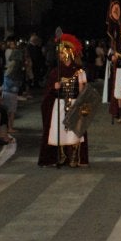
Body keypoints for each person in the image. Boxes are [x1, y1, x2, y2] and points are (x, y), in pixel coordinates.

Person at [38, 33, 89, 167]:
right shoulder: (56, 72)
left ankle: (74, 157)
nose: (61, 55)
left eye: (63, 52)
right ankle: (61, 156)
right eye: (59, 53)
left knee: (74, 132)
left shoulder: (79, 71)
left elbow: (83, 90)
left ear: (70, 52)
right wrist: (54, 87)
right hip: (59, 104)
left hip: (73, 103)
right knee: (59, 130)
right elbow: (49, 90)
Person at [2, 36, 25, 134]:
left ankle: (8, 127)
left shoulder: (9, 69)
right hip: (11, 87)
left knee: (9, 108)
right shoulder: (15, 69)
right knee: (11, 109)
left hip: (8, 86)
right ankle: (9, 127)